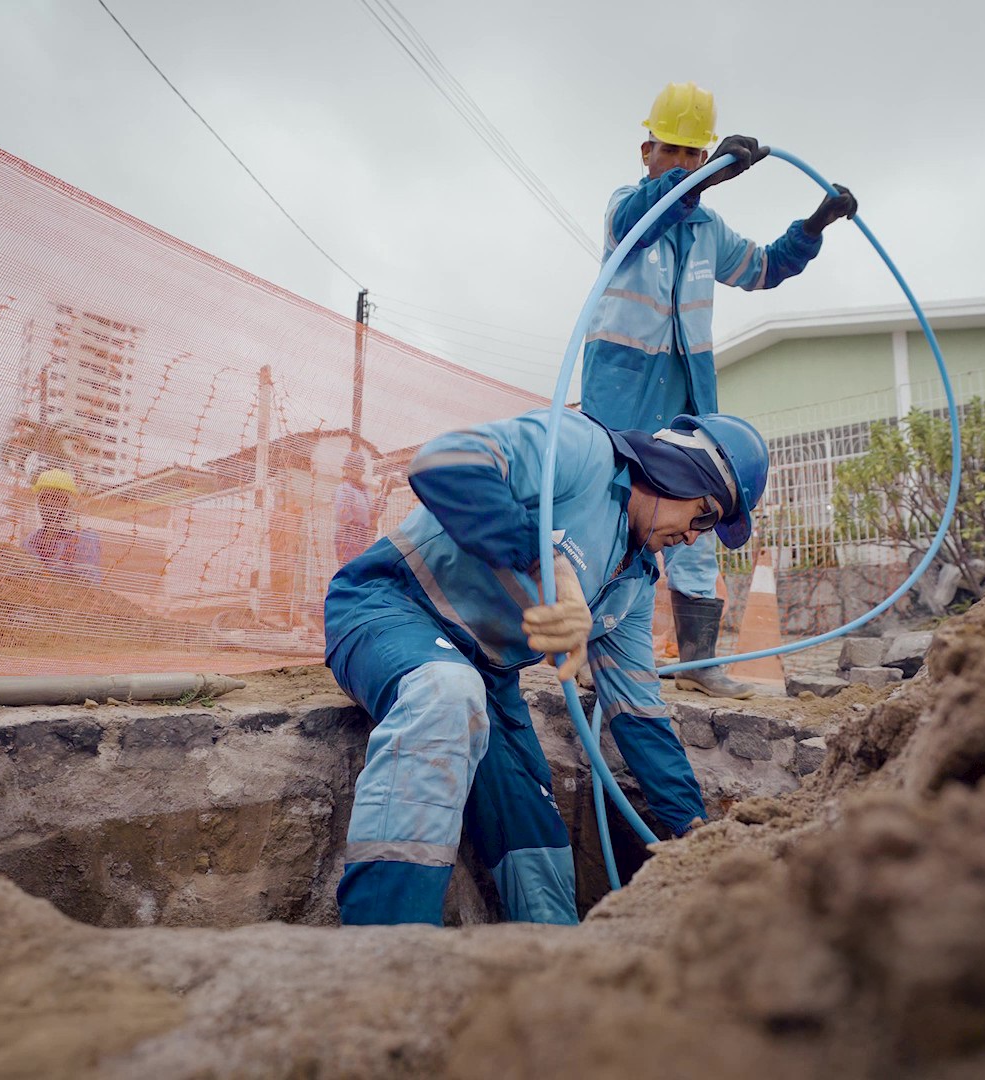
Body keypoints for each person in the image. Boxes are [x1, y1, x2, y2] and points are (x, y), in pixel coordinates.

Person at [323, 406, 769, 926]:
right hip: (389, 607)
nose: (695, 537)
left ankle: (555, 972)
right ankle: (382, 956)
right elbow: (442, 463)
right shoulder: (583, 451)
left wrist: (694, 826)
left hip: (488, 675)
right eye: (705, 515)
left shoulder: (636, 581)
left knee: (541, 864)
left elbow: (638, 712)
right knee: (446, 694)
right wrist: (542, 560)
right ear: (683, 470)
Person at [580, 81, 858, 698]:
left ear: (703, 158)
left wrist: (815, 224)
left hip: (687, 404)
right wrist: (698, 185)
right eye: (669, 150)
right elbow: (640, 219)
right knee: (612, 517)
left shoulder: (709, 229)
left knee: (697, 521)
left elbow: (764, 268)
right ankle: (593, 655)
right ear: (646, 149)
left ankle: (701, 665)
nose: (680, 162)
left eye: (691, 154)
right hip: (620, 397)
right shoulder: (627, 206)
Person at [23, 469, 103, 584]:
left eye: (57, 498)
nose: (49, 504)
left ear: (68, 504)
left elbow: (89, 587)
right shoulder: (30, 541)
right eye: (43, 498)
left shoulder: (85, 540)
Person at [332, 451, 381, 565]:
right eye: (353, 467)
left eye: (359, 467)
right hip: (348, 536)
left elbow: (371, 514)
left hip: (364, 537)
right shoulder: (344, 489)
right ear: (347, 470)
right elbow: (343, 516)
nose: (357, 471)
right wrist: (359, 529)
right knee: (350, 571)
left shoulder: (366, 491)